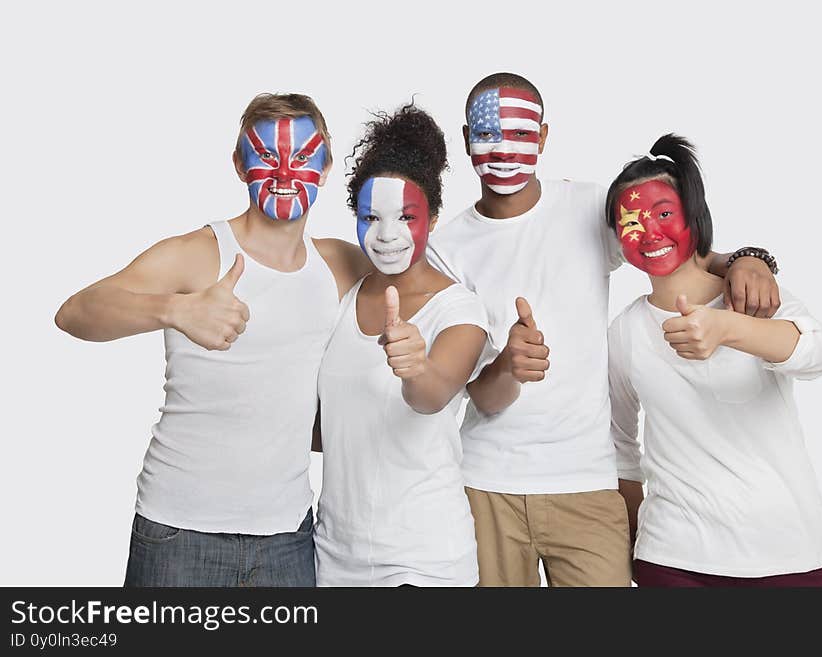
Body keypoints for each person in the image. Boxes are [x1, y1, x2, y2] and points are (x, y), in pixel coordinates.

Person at [427, 72, 783, 586]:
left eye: (522, 135)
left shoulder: (590, 207)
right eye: (487, 135)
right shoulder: (449, 246)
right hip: (486, 486)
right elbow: (475, 394)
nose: (504, 149)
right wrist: (508, 364)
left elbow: (673, 249)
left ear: (544, 137)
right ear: (465, 139)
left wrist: (748, 259)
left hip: (589, 486)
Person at [54, 93, 369, 586]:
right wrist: (175, 309)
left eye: (303, 157)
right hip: (180, 533)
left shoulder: (340, 264)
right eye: (266, 157)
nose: (286, 175)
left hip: (289, 537)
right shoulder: (198, 253)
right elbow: (74, 313)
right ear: (239, 165)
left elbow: (418, 285)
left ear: (327, 163)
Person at [607, 134, 822, 587]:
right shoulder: (626, 331)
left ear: (695, 215)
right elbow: (618, 447)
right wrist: (638, 545)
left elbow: (820, 352)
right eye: (631, 221)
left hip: (787, 550)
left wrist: (729, 329)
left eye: (665, 213)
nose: (649, 232)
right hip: (673, 558)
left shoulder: (754, 295)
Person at [314, 104, 492, 586]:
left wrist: (416, 368)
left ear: (432, 218)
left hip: (422, 563)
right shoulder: (343, 297)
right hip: (333, 560)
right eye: (371, 216)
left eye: (405, 217)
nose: (386, 234)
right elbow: (327, 429)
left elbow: (432, 394)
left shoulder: (459, 310)